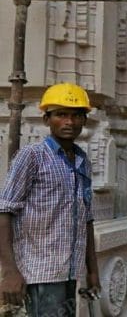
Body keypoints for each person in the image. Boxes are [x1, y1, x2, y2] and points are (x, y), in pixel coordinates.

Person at [0, 83, 100, 317]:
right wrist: (9, 272)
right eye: (61, 115)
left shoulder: (82, 161)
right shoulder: (32, 156)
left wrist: (92, 271)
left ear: (84, 120)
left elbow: (86, 219)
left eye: (76, 115)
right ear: (47, 119)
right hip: (38, 273)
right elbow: (4, 211)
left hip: (69, 272)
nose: (69, 122)